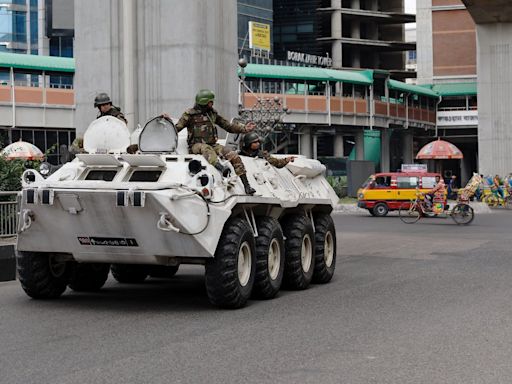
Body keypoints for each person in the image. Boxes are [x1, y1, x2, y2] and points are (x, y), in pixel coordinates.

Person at [163, 89, 256, 194]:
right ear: (205, 102)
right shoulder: (189, 114)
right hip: (195, 145)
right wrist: (168, 122)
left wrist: (244, 129)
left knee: (233, 155)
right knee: (206, 148)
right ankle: (221, 168)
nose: (212, 103)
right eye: (211, 101)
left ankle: (247, 185)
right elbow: (177, 128)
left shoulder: (212, 114)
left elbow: (228, 126)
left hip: (212, 144)